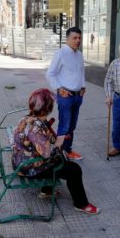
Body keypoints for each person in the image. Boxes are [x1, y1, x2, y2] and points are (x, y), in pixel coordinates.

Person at [12, 88, 100, 215]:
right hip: (28, 168)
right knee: (74, 169)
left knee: (62, 159)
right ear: (48, 108)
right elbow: (47, 153)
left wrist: (54, 139)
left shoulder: (27, 118)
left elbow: (39, 142)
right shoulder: (36, 127)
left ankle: (46, 191)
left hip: (20, 161)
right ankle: (81, 204)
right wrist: (58, 143)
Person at [46, 27, 85, 161]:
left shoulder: (79, 54)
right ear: (67, 39)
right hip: (65, 97)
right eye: (75, 38)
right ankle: (60, 152)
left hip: (77, 96)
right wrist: (59, 88)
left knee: (72, 125)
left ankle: (67, 150)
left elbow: (81, 72)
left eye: (79, 38)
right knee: (65, 125)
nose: (78, 40)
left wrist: (83, 86)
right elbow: (50, 74)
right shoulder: (61, 53)